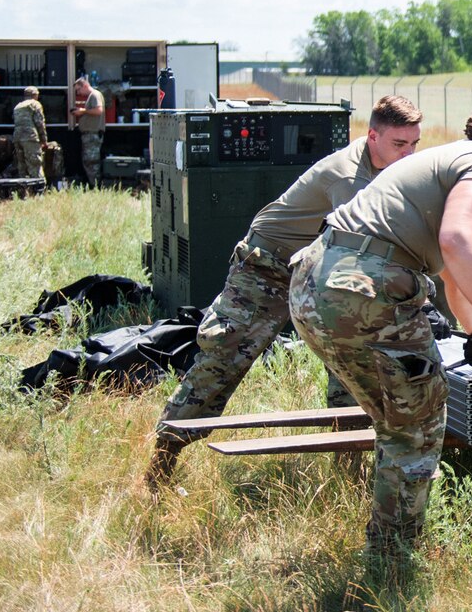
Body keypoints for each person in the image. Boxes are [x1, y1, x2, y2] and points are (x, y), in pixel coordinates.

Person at [289, 93, 472, 558]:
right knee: (417, 425)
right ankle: (392, 557)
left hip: (312, 284)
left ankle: (387, 544)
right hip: (363, 288)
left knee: (395, 418)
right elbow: (458, 241)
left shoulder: (446, 157)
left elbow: (447, 266)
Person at [144, 96, 425, 488]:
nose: (409, 154)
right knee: (222, 363)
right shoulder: (349, 178)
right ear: (372, 136)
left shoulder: (390, 171)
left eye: (415, 144)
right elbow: (364, 249)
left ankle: (352, 478)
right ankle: (160, 465)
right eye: (400, 144)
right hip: (267, 270)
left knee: (354, 364)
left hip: (317, 267)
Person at [69, 77, 106, 186]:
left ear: (85, 85)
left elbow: (99, 110)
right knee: (88, 162)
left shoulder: (94, 95)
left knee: (92, 162)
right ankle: (94, 185)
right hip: (89, 135)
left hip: (92, 135)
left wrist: (82, 111)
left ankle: (96, 186)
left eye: (78, 90)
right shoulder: (91, 96)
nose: (78, 93)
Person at [12, 86, 48, 181]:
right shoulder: (35, 104)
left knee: (22, 166)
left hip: (17, 138)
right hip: (30, 138)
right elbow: (39, 123)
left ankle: (24, 191)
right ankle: (39, 190)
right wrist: (44, 140)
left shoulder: (18, 106)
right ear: (35, 95)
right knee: (35, 165)